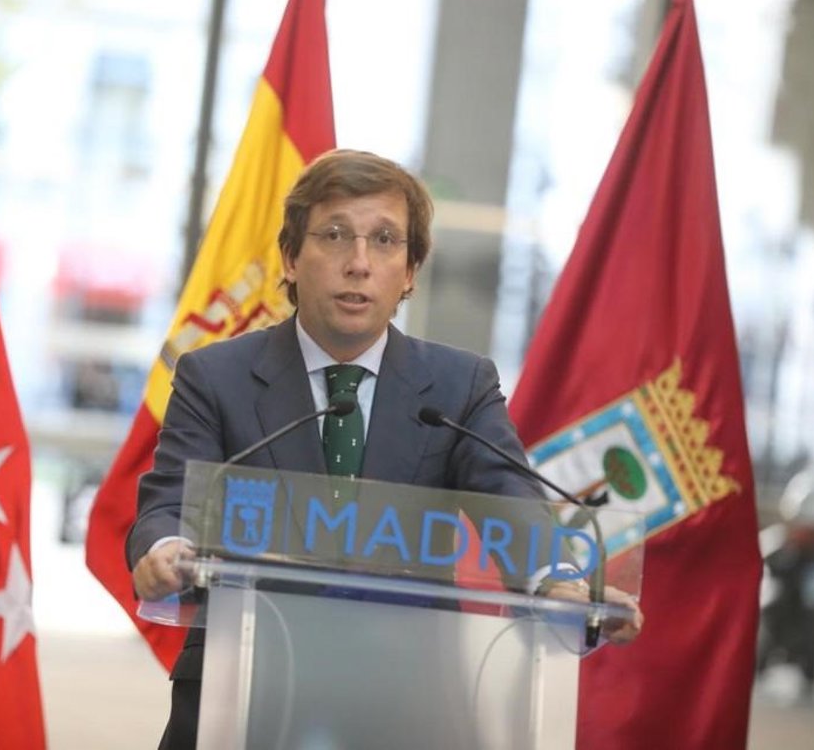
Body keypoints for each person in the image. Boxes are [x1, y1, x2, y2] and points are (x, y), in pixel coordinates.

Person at [128, 149, 643, 749]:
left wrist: (559, 582)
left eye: (384, 240)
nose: (358, 263)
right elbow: (170, 504)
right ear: (291, 258)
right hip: (240, 690)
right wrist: (165, 550)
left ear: (411, 270)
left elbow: (512, 505)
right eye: (335, 236)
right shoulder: (216, 376)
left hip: (404, 699)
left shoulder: (458, 386)